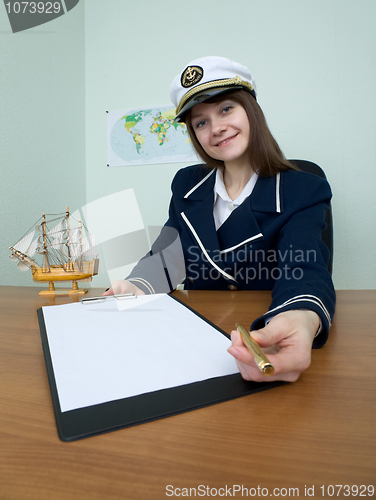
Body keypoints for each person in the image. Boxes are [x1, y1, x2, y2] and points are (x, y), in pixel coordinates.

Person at [104, 56, 336, 383]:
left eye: (226, 109)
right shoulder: (187, 185)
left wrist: (299, 317)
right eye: (201, 122)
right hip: (192, 342)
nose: (216, 128)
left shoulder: (303, 188)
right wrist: (135, 285)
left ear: (251, 110)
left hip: (260, 335)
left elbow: (304, 265)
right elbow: (170, 256)